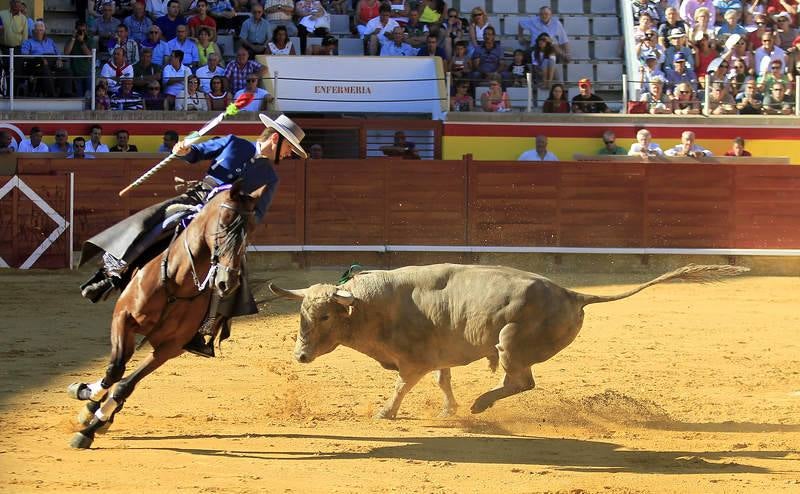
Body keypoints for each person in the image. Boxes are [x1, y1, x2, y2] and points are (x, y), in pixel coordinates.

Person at [78, 114, 309, 357]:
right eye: (289, 148)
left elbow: (258, 213)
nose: (289, 154)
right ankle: (113, 273)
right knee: (159, 222)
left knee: (232, 273)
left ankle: (204, 328)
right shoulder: (234, 143)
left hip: (227, 223)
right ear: (275, 138)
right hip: (198, 202)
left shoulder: (270, 177)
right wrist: (184, 149)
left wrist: (237, 225)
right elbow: (196, 153)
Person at [65, 19, 95, 99]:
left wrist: (82, 42)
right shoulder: (71, 39)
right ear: (76, 29)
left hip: (87, 72)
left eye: (83, 30)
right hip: (76, 72)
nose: (82, 32)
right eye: (80, 30)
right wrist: (73, 38)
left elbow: (89, 55)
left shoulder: (90, 40)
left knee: (89, 97)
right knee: (79, 97)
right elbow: (66, 53)